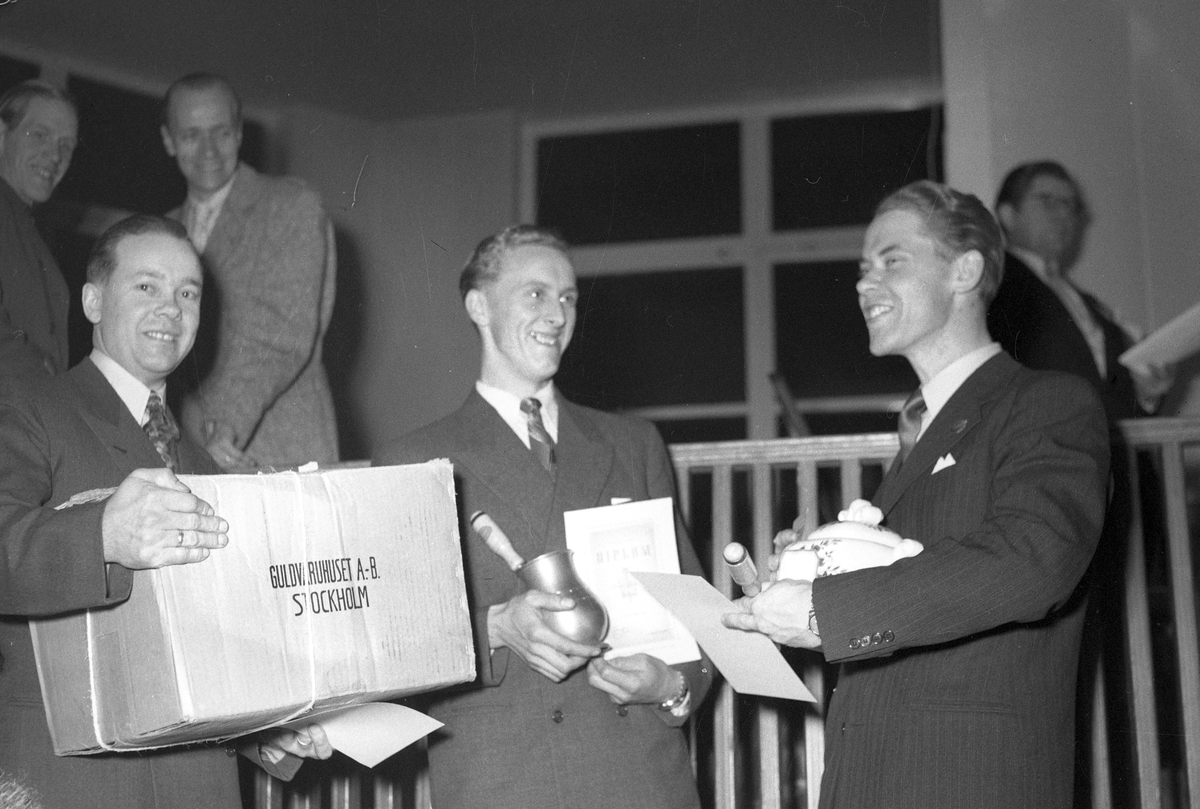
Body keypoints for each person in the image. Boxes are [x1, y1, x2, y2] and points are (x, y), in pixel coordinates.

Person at [724, 181, 1111, 809]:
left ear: (965, 271)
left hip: (967, 782)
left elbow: (1032, 560)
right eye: (863, 268)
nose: (864, 283)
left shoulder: (1045, 403)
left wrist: (825, 609)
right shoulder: (920, 436)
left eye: (892, 260)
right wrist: (816, 568)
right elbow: (918, 588)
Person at [374, 225, 713, 809]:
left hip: (641, 779)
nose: (557, 314)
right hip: (506, 783)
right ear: (479, 307)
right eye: (535, 294)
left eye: (568, 298)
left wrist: (672, 686)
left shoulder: (633, 444)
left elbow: (696, 619)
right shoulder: (413, 462)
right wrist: (495, 628)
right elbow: (392, 646)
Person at [0, 215, 331, 809]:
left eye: (188, 294)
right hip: (70, 782)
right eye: (147, 286)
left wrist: (267, 731)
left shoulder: (204, 463)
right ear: (93, 302)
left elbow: (210, 647)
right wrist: (102, 535)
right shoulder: (27, 408)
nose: (170, 309)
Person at [160, 73, 338, 471]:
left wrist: (224, 425)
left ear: (239, 133)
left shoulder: (291, 206)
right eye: (191, 135)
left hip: (274, 450)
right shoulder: (162, 232)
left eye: (221, 132)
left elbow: (277, 337)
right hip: (188, 452)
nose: (208, 150)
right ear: (169, 140)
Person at [988, 160, 1174, 419]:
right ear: (1008, 215)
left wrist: (1147, 392)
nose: (1064, 214)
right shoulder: (993, 282)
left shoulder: (1085, 303)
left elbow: (1107, 392)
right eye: (1048, 201)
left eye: (1071, 205)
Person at [0, 80, 76, 379]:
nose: (55, 156)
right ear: (2, 134)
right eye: (40, 135)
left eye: (66, 145)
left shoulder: (25, 224)